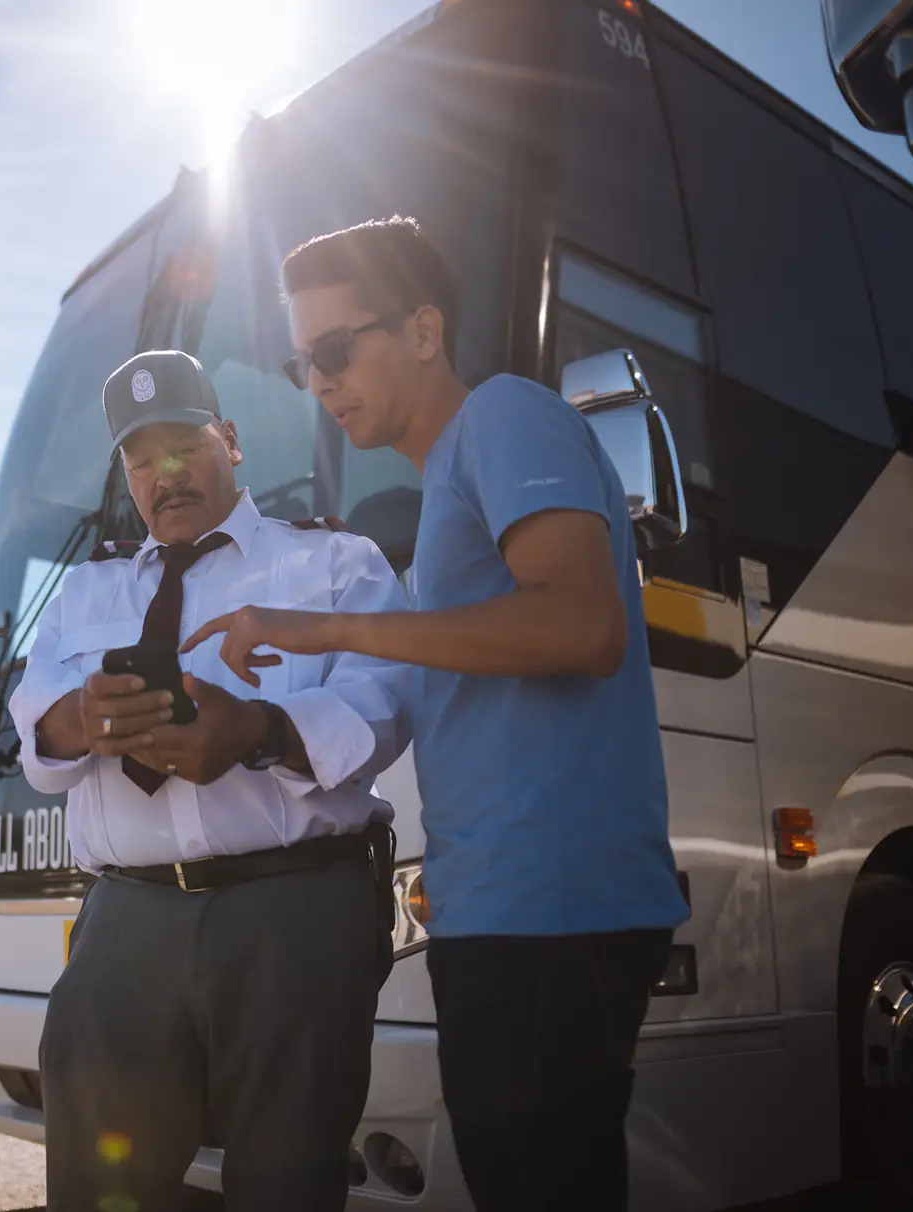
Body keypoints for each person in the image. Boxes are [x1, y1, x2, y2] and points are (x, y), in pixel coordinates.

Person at [183, 217, 690, 1211]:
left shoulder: (505, 415)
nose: (319, 382)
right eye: (301, 365)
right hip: (511, 911)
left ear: (422, 330)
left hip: (550, 908)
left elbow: (583, 626)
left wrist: (333, 633)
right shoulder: (448, 490)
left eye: (335, 349)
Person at [9, 348, 413, 1212]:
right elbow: (32, 717)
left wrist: (259, 732)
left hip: (292, 915)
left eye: (184, 445)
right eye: (139, 457)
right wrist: (87, 717)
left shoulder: (334, 565)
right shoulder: (86, 591)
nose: (164, 473)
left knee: (287, 1183)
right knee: (98, 1189)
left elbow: (385, 705)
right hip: (124, 925)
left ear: (229, 441)